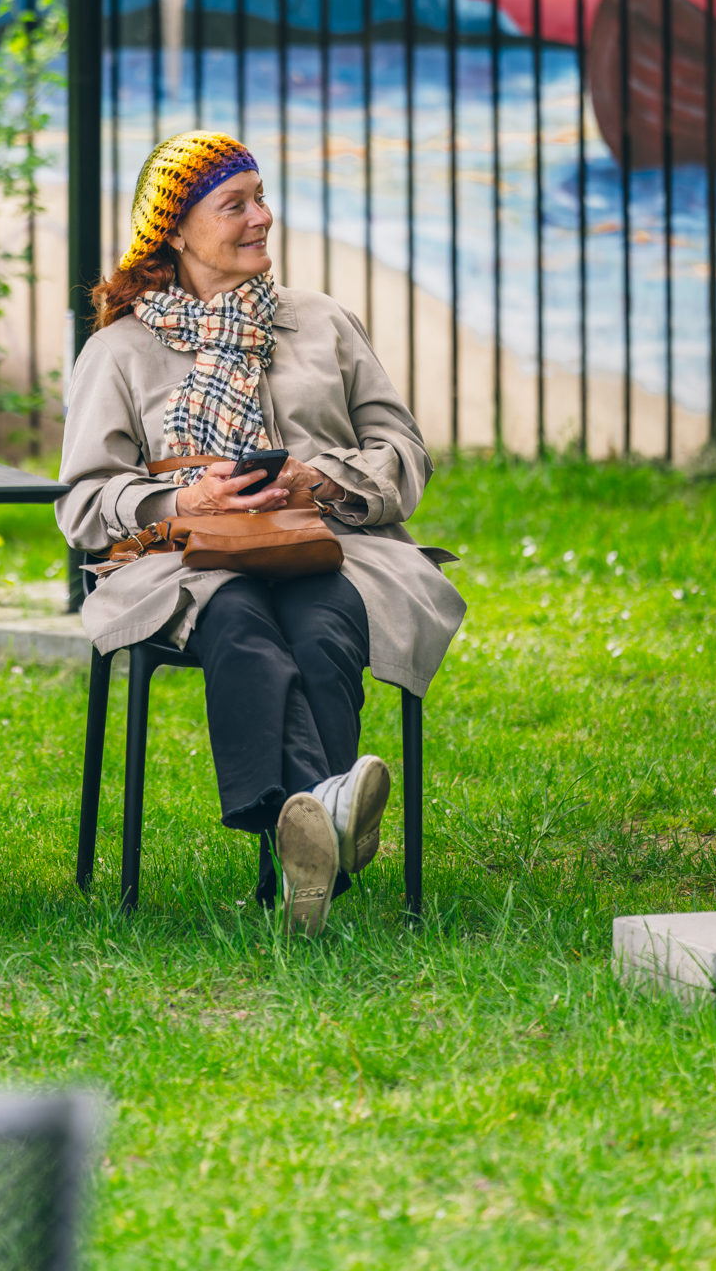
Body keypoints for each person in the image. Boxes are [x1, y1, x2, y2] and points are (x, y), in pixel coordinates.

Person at [57, 130, 464, 934]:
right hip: (188, 559)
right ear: (175, 230)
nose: (261, 218)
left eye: (261, 198)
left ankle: (301, 847)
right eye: (234, 205)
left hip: (329, 544)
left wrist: (322, 481)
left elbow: (402, 452)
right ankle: (322, 818)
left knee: (322, 626)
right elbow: (83, 502)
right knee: (238, 620)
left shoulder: (323, 322)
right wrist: (185, 500)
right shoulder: (118, 349)